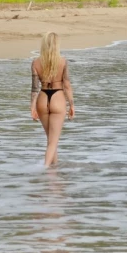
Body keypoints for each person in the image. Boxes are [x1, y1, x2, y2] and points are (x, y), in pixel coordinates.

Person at [30, 32, 75, 167]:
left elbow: (34, 88)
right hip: (58, 98)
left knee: (50, 140)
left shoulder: (36, 63)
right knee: (53, 141)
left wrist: (32, 107)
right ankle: (45, 169)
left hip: (42, 98)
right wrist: (72, 104)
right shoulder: (63, 61)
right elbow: (66, 84)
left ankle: (53, 172)